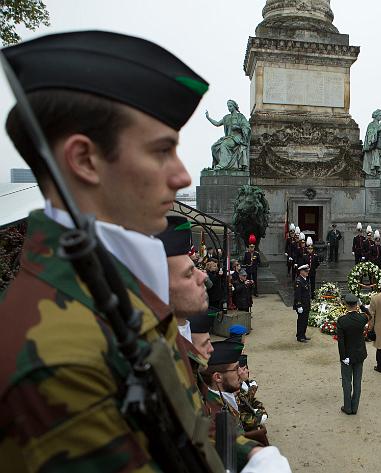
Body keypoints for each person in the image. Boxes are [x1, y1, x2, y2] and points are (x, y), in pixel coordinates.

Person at [0, 31, 272, 471]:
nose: (183, 176)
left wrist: (247, 453)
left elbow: (174, 422)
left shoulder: (106, 287)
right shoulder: (59, 357)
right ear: (85, 160)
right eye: (161, 150)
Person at [336, 293, 369, 414]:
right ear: (356, 305)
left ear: (345, 305)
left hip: (347, 356)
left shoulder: (342, 320)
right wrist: (362, 306)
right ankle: (355, 407)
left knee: (346, 382)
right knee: (357, 382)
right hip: (359, 354)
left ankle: (347, 407)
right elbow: (370, 315)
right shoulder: (362, 318)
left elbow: (341, 342)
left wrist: (343, 357)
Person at [206, 99, 251, 171]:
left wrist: (238, 127)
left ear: (234, 106)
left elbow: (247, 127)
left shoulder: (240, 116)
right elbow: (217, 123)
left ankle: (222, 165)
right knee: (214, 147)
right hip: (228, 137)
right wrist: (208, 118)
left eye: (230, 106)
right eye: (228, 106)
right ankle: (221, 163)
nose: (229, 108)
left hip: (236, 138)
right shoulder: (226, 117)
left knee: (224, 144)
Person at [234, 355, 270, 445]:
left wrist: (262, 411)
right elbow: (241, 415)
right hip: (243, 431)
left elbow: (253, 401)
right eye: (244, 369)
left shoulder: (244, 386)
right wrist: (258, 417)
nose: (247, 371)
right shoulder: (234, 391)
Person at [293, 264, 312, 343]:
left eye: (308, 271)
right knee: (301, 321)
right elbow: (298, 295)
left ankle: (303, 335)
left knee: (305, 321)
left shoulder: (304, 280)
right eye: (306, 271)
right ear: (301, 272)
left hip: (306, 304)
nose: (307, 272)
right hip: (302, 305)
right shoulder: (299, 281)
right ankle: (299, 336)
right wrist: (299, 305)